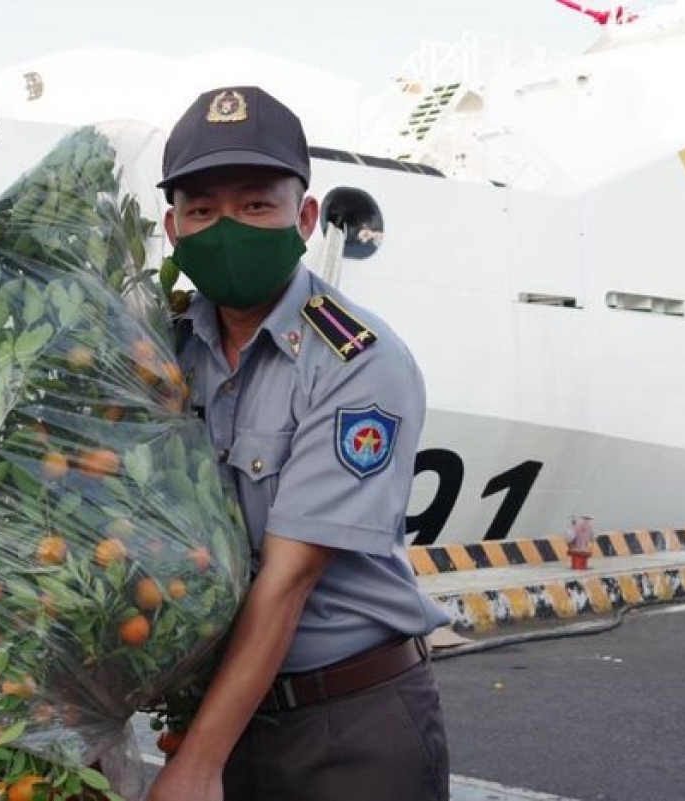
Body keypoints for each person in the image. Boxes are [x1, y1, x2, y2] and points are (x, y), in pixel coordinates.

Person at [147, 86, 452, 801]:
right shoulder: (159, 347)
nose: (226, 227)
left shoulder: (357, 359)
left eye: (256, 204)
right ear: (173, 225)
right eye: (202, 209)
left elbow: (288, 579)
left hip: (344, 723)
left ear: (305, 216)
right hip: (218, 716)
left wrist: (196, 765)